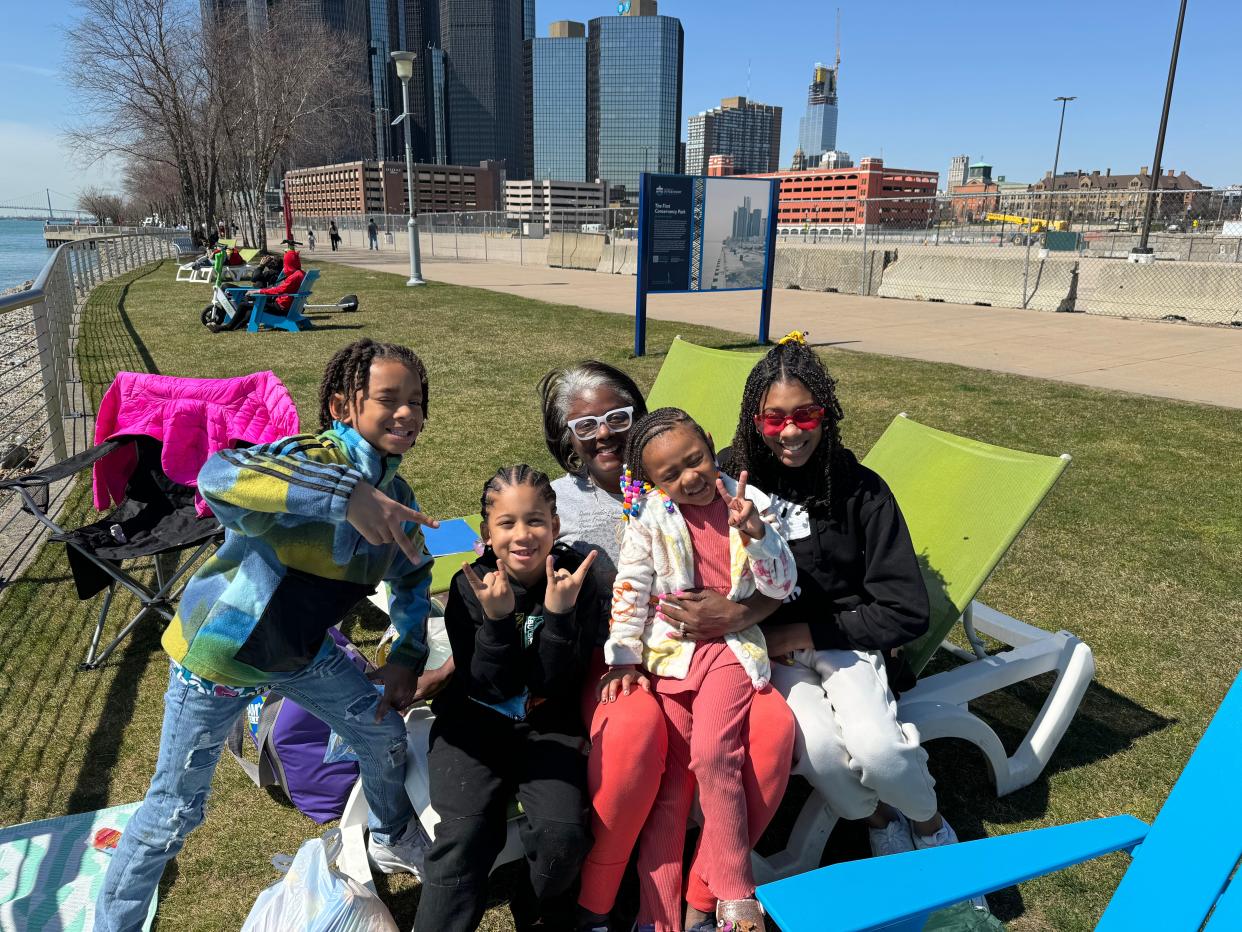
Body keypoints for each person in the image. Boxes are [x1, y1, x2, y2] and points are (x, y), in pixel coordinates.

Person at [95, 339, 442, 931]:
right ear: (342, 406)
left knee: (382, 734)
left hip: (300, 654)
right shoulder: (306, 459)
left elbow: (412, 575)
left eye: (416, 401)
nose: (406, 413)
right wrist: (343, 494)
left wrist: (408, 656)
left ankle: (389, 833)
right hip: (220, 659)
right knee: (173, 811)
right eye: (388, 399)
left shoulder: (397, 499)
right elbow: (219, 476)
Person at [538, 362, 795, 932]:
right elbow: (525, 560)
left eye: (617, 417)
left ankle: (708, 896)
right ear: (567, 441)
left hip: (722, 651)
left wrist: (739, 611)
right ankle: (602, 904)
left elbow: (772, 582)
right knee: (638, 737)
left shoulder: (729, 499)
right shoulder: (558, 505)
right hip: (625, 661)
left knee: (773, 730)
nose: (604, 433)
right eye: (585, 426)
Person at [721, 334, 982, 897]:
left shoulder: (861, 491)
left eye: (805, 414)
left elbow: (905, 608)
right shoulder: (732, 480)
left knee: (881, 752)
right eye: (773, 420)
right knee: (820, 753)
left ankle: (929, 825)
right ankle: (878, 823)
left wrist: (806, 630)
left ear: (826, 413)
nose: (791, 432)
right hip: (777, 654)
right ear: (754, 421)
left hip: (845, 638)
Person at [602, 408, 797, 932]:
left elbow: (780, 587)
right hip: (670, 657)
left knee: (715, 756)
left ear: (710, 445)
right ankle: (658, 918)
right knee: (669, 789)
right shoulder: (651, 518)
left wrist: (757, 534)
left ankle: (731, 892)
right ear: (653, 482)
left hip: (731, 649)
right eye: (671, 474)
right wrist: (623, 653)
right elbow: (630, 585)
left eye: (696, 460)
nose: (690, 478)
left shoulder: (749, 503)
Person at [418, 466, 600, 932]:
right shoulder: (470, 587)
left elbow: (557, 685)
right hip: (471, 726)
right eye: (507, 523)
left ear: (555, 526)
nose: (523, 535)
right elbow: (485, 686)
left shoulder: (578, 581)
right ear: (486, 533)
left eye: (535, 521)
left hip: (549, 726)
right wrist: (496, 623)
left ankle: (538, 913)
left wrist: (560, 617)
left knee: (564, 835)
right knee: (466, 834)